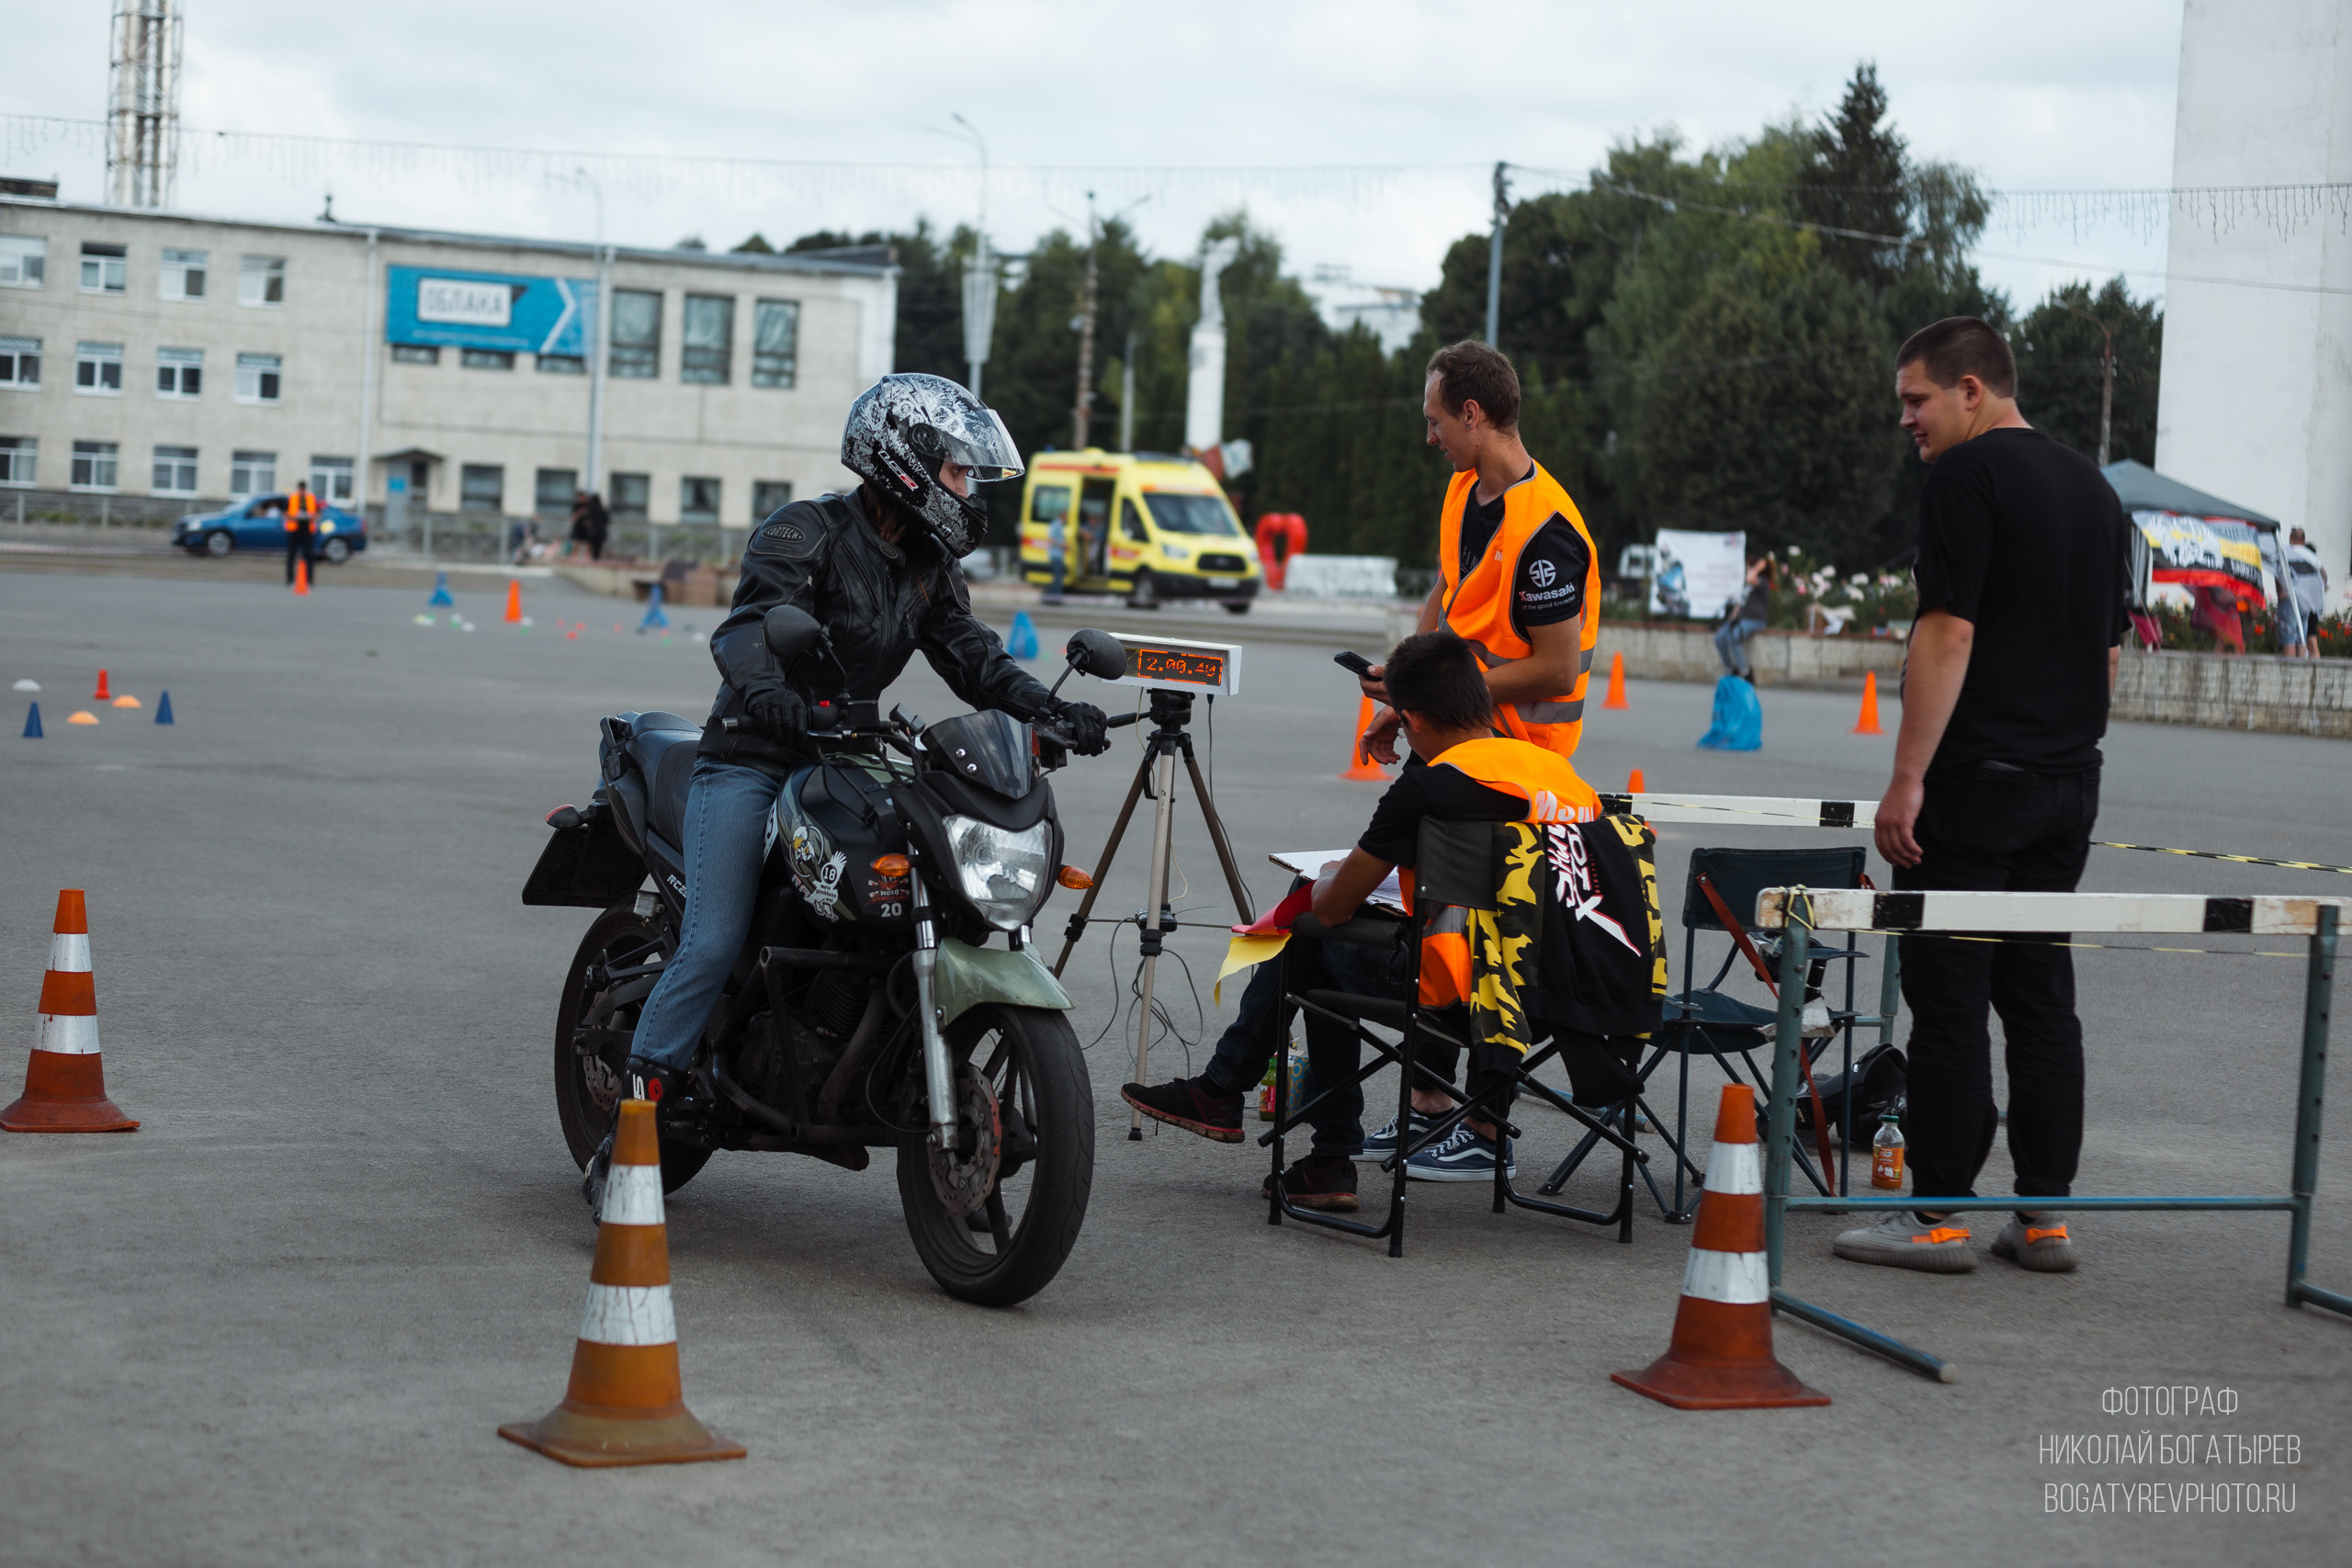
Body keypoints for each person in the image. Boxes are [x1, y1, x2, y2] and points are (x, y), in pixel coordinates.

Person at [583, 375, 1113, 1204]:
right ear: (904, 461)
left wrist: (1051, 708)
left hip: (850, 755)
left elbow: (969, 654)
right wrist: (768, 693)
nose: (968, 492)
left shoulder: (927, 564)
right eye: (958, 473)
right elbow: (749, 627)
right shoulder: (807, 530)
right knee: (716, 938)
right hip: (752, 757)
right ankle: (628, 1138)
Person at [1120, 631, 1602, 1209]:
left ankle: (1299, 1137)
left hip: (1461, 993)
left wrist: (1327, 877)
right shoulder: (1567, 779)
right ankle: (1246, 1107)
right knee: (1331, 938)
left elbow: (1333, 907)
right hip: (1556, 994)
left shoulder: (1430, 787)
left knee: (1314, 936)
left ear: (1412, 720)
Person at [1850, 315, 2129, 1277]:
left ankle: (1936, 1216)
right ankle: (2043, 1217)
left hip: (1979, 785)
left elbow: (1946, 633)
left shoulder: (1965, 479)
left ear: (1973, 390)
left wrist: (1906, 777)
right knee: (2042, 996)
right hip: (2068, 783)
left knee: (1950, 997)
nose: (1907, 421)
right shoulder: (2096, 491)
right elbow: (2105, 653)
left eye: (1916, 400)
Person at [1359, 341, 1599, 768]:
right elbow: (1449, 587)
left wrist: (1432, 695)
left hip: (1517, 757)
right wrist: (1408, 688)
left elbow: (1558, 671)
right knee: (1395, 833)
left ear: (1471, 415)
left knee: (1391, 834)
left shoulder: (1547, 530)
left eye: (1436, 422)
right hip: (1458, 728)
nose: (1430, 438)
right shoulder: (1463, 487)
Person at [1714, 556, 1775, 681]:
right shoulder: (1748, 586)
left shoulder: (1762, 582)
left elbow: (1750, 578)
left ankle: (1746, 672)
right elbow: (1740, 602)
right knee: (1720, 638)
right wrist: (1732, 617)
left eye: (1749, 566)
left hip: (1755, 620)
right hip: (1741, 619)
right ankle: (1730, 669)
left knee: (1734, 638)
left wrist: (1758, 566)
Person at [2285, 526, 2329, 659]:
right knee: (2303, 638)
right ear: (2303, 541)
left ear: (2290, 540)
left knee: (2291, 636)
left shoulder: (2288, 553)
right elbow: (2325, 580)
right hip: (2309, 605)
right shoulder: (2312, 557)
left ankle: (2292, 666)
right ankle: (2303, 662)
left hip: (2293, 600)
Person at [283, 481, 319, 585]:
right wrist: (294, 517)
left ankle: (310, 579)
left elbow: (317, 513)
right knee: (291, 555)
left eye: (303, 489)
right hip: (294, 529)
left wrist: (312, 517)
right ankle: (290, 578)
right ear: (298, 488)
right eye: (301, 489)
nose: (302, 491)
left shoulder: (311, 498)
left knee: (309, 555)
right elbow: (285, 512)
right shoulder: (292, 498)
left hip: (307, 530)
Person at [569, 490, 611, 562]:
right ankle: (575, 557)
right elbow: (573, 517)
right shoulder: (577, 506)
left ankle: (588, 557)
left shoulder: (590, 506)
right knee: (577, 543)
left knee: (589, 544)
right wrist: (580, 513)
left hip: (589, 530)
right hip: (579, 528)